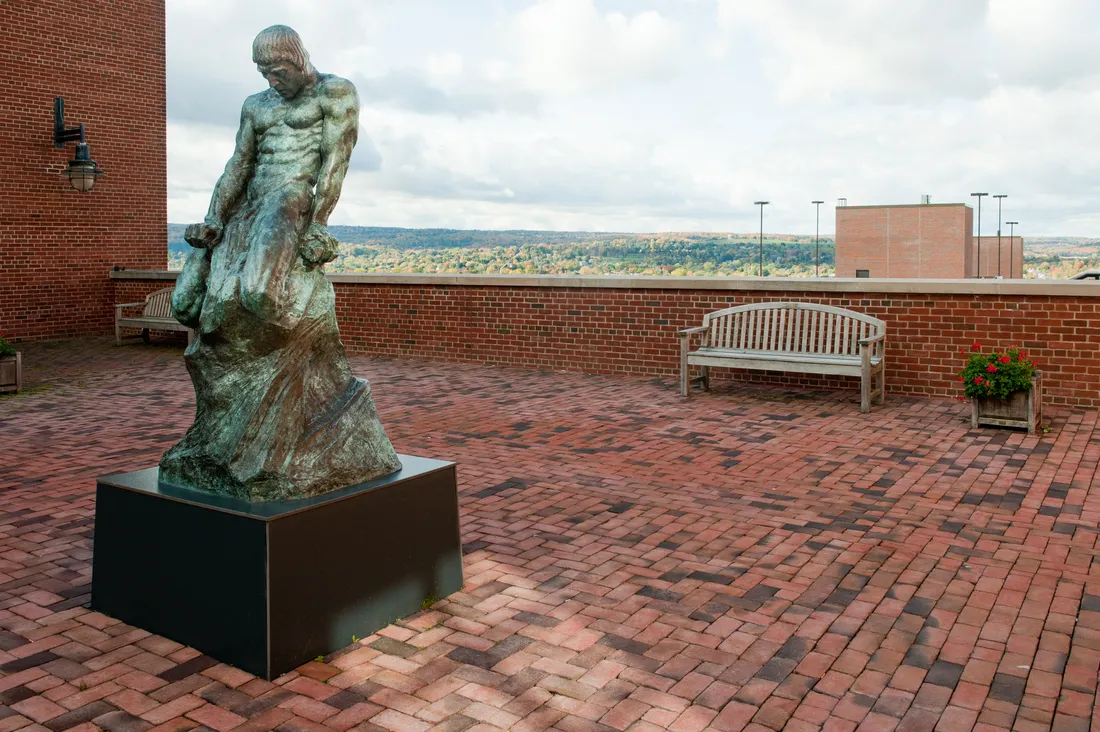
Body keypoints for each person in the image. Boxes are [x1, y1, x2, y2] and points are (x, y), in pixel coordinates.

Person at [162, 26, 400, 501]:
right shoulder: (256, 106)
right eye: (263, 71)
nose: (271, 79)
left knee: (257, 292)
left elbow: (335, 162)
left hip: (290, 200)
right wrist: (213, 219)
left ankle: (295, 355)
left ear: (298, 59)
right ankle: (228, 421)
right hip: (246, 206)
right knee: (185, 306)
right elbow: (238, 165)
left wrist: (318, 225)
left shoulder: (334, 93)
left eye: (278, 70)